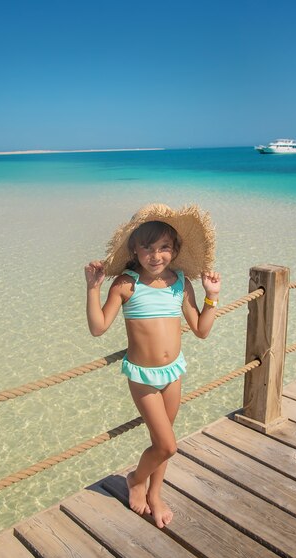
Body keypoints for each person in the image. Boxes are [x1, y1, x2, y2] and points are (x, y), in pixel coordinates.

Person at [84, 203, 221, 528]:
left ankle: (155, 494)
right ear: (134, 248)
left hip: (173, 372)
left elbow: (201, 329)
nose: (155, 255)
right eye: (147, 247)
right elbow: (98, 327)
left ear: (174, 251)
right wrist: (93, 288)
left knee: (164, 443)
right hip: (143, 377)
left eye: (164, 248)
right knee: (167, 445)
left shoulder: (180, 284)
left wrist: (211, 295)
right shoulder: (126, 284)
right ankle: (135, 478)